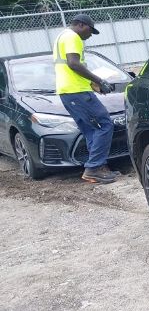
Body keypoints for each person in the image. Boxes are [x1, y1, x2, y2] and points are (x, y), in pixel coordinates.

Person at [54, 14, 119, 184]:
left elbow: (71, 67)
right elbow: (73, 63)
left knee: (91, 129)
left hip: (69, 91)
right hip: (76, 92)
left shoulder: (62, 36)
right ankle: (93, 168)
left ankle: (99, 167)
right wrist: (99, 80)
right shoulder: (72, 37)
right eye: (90, 30)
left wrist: (91, 83)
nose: (90, 35)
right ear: (81, 25)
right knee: (105, 124)